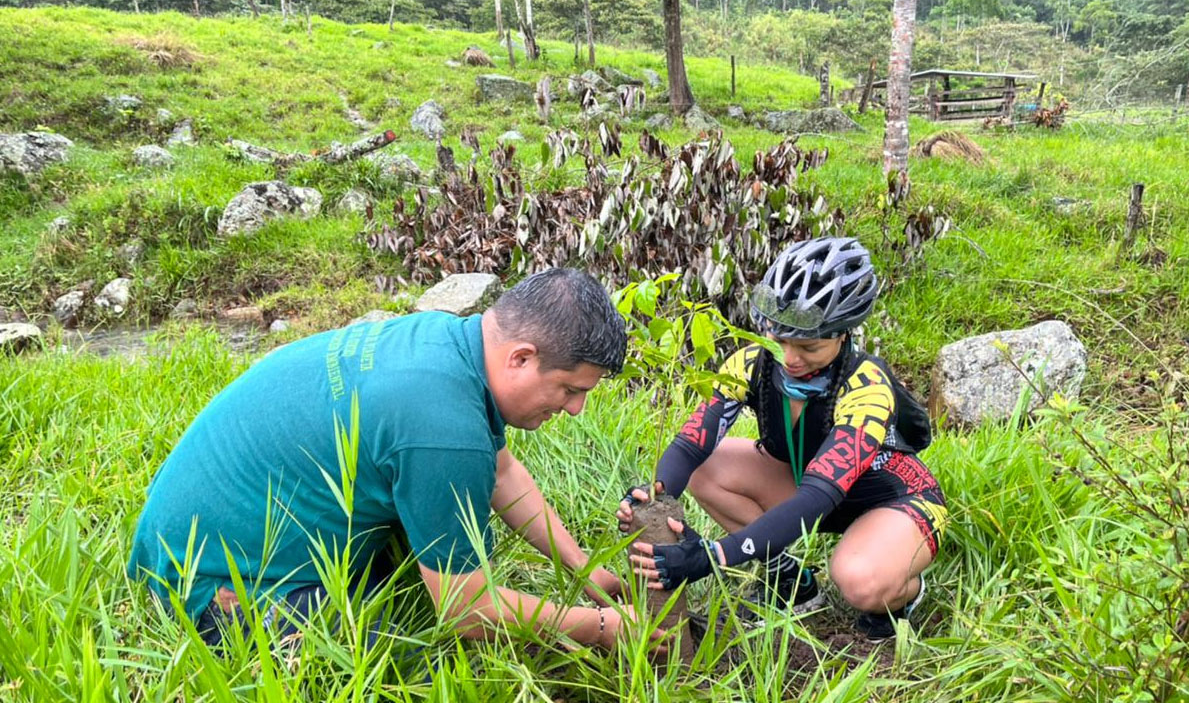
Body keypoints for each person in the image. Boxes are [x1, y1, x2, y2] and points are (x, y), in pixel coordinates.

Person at [130, 268, 647, 652]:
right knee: (411, 655)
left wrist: (583, 568)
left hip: (185, 536)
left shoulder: (450, 342)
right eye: (570, 389)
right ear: (522, 357)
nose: (576, 409)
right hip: (211, 585)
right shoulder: (443, 430)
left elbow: (502, 472)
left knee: (410, 575)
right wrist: (601, 628)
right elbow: (467, 609)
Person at [618, 237, 946, 642]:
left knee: (859, 579)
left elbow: (813, 501)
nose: (789, 357)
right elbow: (691, 444)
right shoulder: (753, 363)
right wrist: (656, 495)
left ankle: (901, 594)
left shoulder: (866, 388)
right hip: (811, 483)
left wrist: (714, 557)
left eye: (808, 345)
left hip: (893, 499)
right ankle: (789, 579)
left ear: (843, 335)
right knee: (708, 468)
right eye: (781, 337)